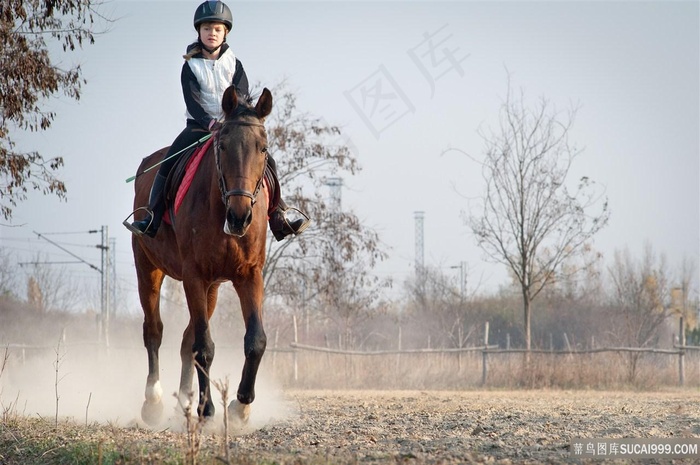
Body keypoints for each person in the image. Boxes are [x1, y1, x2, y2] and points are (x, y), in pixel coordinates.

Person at [125, 0, 309, 241]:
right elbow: (192, 102)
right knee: (169, 163)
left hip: (232, 129)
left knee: (267, 162)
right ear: (199, 31)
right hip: (198, 127)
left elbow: (241, 97)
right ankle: (152, 217)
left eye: (217, 29)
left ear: (225, 32)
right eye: (207, 29)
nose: (212, 33)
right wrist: (210, 123)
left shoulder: (235, 63)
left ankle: (279, 216)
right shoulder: (190, 66)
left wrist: (234, 122)